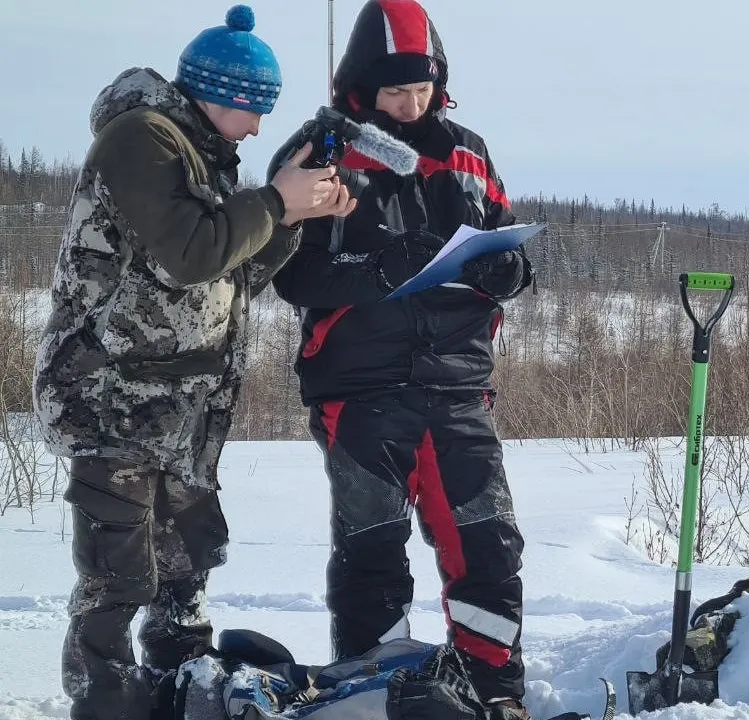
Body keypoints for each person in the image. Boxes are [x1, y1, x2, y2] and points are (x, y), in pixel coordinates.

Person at [31, 5, 356, 719]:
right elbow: (188, 256)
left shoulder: (203, 155)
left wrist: (291, 217)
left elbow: (232, 276)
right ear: (223, 95)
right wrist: (274, 198)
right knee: (119, 579)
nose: (259, 129)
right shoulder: (141, 137)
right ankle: (108, 706)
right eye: (254, 111)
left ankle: (183, 688)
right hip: (109, 399)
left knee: (188, 560)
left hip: (180, 410)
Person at [269, 1, 533, 717]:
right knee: (371, 553)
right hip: (359, 388)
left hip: (458, 385)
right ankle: (370, 694)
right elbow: (291, 275)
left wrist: (511, 271)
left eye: (421, 89)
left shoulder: (469, 152)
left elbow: (506, 239)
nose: (410, 104)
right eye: (394, 92)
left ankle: (493, 693)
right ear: (360, 84)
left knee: (489, 547)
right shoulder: (323, 150)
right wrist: (383, 269)